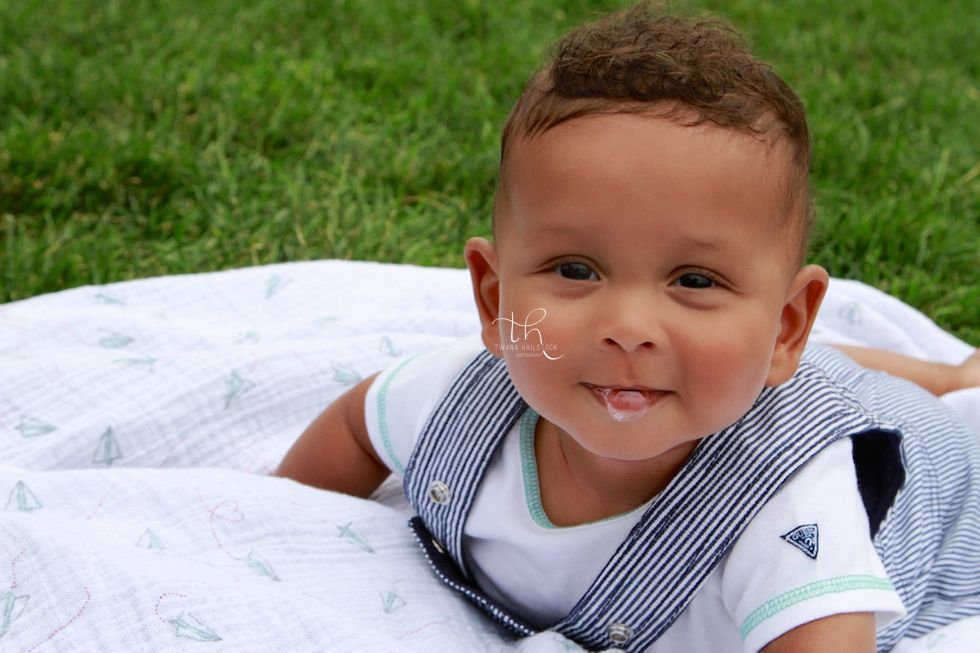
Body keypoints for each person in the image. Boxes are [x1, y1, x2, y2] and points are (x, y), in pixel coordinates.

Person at [277, 4, 980, 651]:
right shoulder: (457, 400)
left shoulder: (790, 500)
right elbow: (354, 426)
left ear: (786, 324)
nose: (629, 327)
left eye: (694, 281)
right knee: (776, 365)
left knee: (886, 396)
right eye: (577, 269)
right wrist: (281, 518)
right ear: (494, 300)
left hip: (937, 474)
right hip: (758, 372)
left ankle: (953, 378)